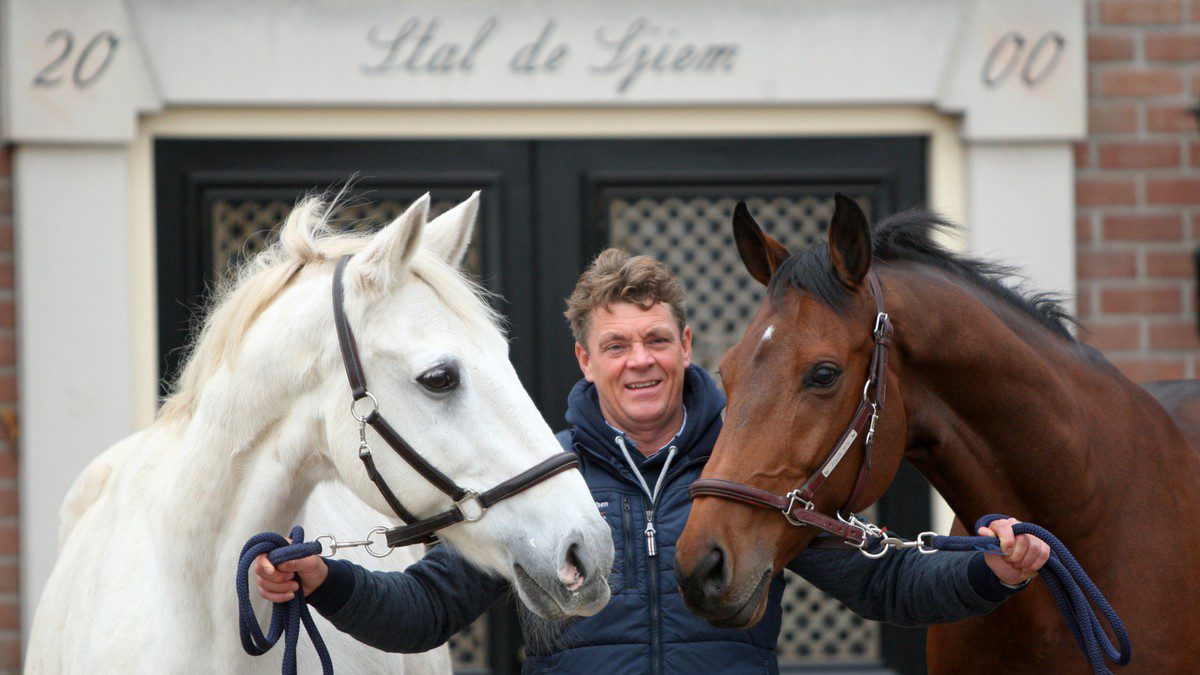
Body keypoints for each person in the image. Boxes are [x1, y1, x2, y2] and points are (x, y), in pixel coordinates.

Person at [257, 249, 1050, 673]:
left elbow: (885, 580)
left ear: (686, 348)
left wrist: (992, 570)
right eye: (617, 345)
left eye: (656, 339)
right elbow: (423, 611)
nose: (640, 360)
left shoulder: (750, 478)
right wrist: (329, 580)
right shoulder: (538, 489)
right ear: (586, 359)